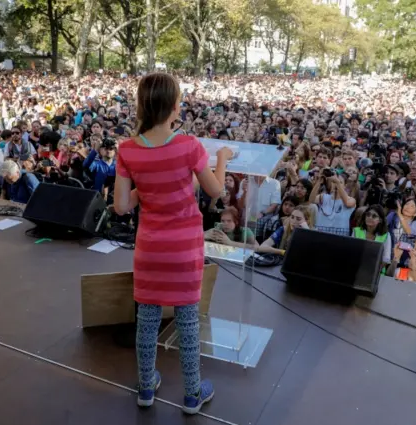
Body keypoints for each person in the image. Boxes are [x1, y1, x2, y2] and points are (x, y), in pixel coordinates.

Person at [113, 73, 233, 414]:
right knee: (187, 319)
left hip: (149, 248)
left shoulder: (127, 150)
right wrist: (222, 158)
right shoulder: (190, 146)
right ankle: (193, 394)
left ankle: (146, 387)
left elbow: (122, 206)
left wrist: (148, 185)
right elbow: (216, 191)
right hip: (184, 247)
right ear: (175, 106)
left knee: (147, 318)